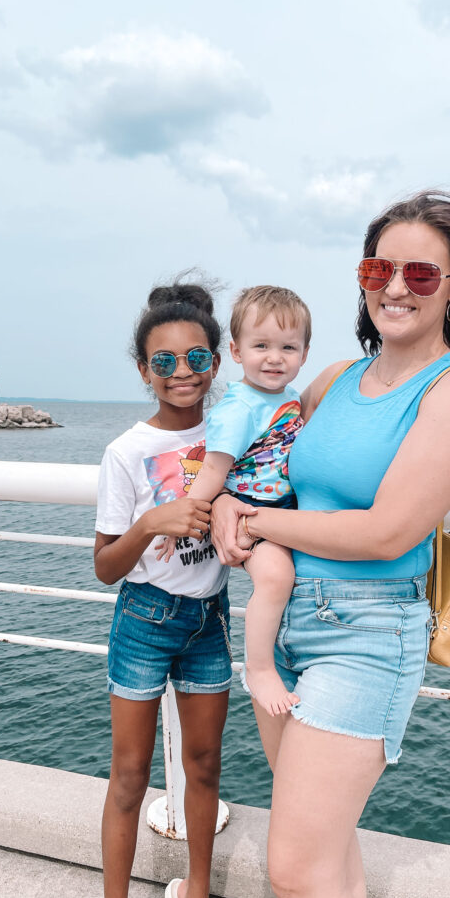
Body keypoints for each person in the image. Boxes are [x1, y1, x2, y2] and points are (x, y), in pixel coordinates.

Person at [210, 191, 450, 898]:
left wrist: (259, 527)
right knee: (325, 865)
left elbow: (386, 532)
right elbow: (262, 460)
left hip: (366, 637)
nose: (394, 286)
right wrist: (231, 500)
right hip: (285, 623)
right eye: (377, 267)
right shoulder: (333, 378)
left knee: (293, 871)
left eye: (419, 272)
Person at [94, 279, 232, 898]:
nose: (182, 374)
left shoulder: (235, 431)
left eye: (197, 358)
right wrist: (152, 521)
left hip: (209, 619)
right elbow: (104, 567)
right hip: (144, 621)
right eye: (165, 362)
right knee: (129, 778)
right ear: (144, 369)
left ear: (218, 361)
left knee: (205, 768)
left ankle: (193, 895)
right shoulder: (126, 452)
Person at [158, 285, 311, 716]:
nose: (274, 357)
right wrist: (181, 520)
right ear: (237, 351)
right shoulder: (238, 408)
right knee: (276, 578)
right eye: (261, 345)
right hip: (247, 513)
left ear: (304, 353)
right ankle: (260, 669)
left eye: (288, 347)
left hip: (283, 512)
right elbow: (211, 471)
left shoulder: (290, 399)